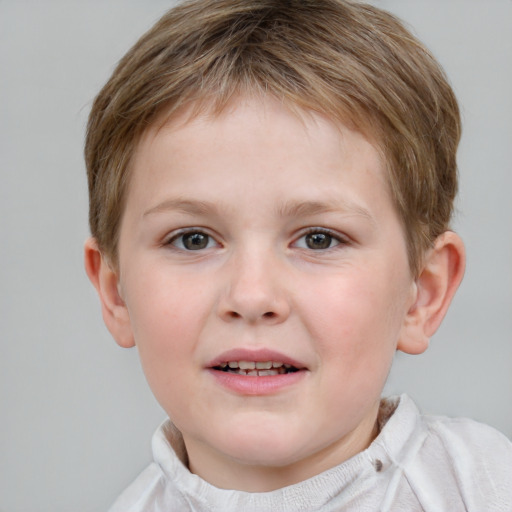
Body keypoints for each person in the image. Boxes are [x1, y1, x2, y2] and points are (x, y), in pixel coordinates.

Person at [83, 0, 512, 510]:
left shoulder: (485, 487)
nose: (252, 296)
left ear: (422, 293)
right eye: (193, 239)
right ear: (116, 294)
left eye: (318, 239)